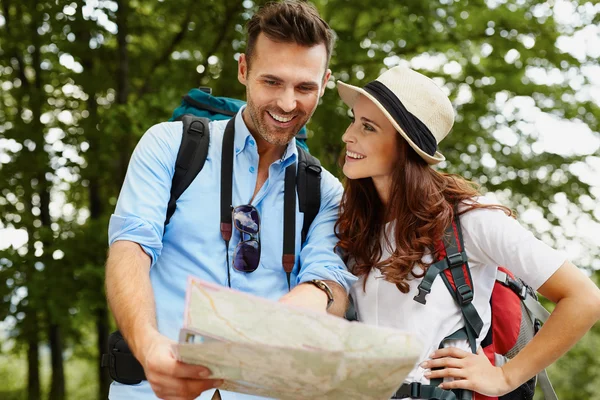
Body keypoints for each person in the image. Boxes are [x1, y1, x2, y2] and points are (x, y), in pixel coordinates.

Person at [105, 2, 357, 399]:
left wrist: (299, 306)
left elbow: (331, 283)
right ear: (243, 69)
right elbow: (130, 249)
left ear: (324, 83)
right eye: (271, 82)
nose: (288, 104)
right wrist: (150, 346)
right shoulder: (170, 147)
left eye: (305, 87)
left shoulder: (324, 191)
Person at [334, 65, 600, 399]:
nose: (348, 135)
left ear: (405, 147)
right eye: (353, 119)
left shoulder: (469, 219)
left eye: (368, 127)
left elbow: (584, 298)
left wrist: (504, 378)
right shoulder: (351, 221)